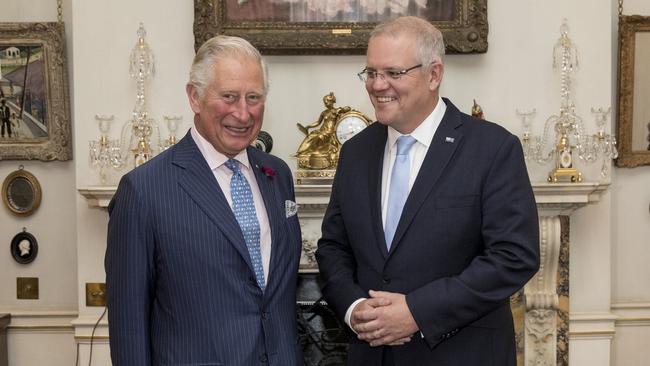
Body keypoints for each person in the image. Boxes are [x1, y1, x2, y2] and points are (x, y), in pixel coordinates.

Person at [316, 16, 540, 366]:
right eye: (371, 73)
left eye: (393, 73)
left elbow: (513, 256)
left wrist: (416, 311)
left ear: (434, 74)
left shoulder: (492, 148)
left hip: (461, 355)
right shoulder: (355, 152)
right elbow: (333, 247)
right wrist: (354, 308)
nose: (378, 85)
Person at [105, 35, 304, 365]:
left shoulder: (277, 175)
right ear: (195, 97)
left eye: (253, 97)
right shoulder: (144, 190)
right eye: (229, 97)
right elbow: (129, 324)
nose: (243, 113)